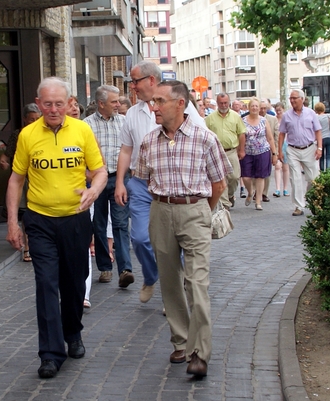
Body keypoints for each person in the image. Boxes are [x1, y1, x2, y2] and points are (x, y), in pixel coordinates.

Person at [6, 77, 107, 379]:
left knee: (74, 283)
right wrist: (13, 222)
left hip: (75, 219)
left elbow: (100, 171)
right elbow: (16, 179)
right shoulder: (27, 135)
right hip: (40, 221)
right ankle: (50, 353)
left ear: (68, 104)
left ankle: (73, 332)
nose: (53, 109)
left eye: (58, 104)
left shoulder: (82, 130)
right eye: (47, 104)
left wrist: (94, 190)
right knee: (46, 284)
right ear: (38, 104)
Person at [135, 80, 230, 378]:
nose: (154, 107)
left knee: (197, 282)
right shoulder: (149, 141)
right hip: (160, 211)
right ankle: (180, 341)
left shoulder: (206, 139)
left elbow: (219, 184)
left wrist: (201, 211)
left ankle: (200, 352)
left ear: (180, 103)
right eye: (153, 101)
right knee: (170, 282)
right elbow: (143, 179)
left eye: (160, 101)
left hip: (195, 210)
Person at [115, 60, 205, 303]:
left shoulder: (182, 108)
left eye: (135, 81)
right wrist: (120, 183)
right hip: (141, 184)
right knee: (141, 239)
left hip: (172, 184)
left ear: (151, 81)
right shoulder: (132, 113)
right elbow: (126, 149)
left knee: (176, 242)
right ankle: (152, 275)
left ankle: (175, 292)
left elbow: (202, 142)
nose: (131, 86)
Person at [84, 85, 134, 287]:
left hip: (119, 179)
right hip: (96, 181)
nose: (118, 105)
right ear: (101, 103)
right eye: (114, 101)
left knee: (121, 223)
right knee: (99, 223)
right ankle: (105, 267)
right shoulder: (85, 126)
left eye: (119, 101)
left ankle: (125, 269)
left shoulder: (123, 122)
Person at [0, 103, 41, 262]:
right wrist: (4, 165)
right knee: (25, 214)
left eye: (38, 119)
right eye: (31, 120)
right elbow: (5, 157)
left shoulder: (43, 134)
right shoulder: (18, 135)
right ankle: (28, 247)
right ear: (25, 119)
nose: (35, 122)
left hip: (39, 177)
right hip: (23, 179)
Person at [278, 89, 322, 216]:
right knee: (295, 178)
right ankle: (298, 206)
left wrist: (319, 148)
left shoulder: (311, 113)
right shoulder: (287, 115)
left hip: (309, 148)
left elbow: (318, 131)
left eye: (295, 98)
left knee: (314, 178)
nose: (292, 101)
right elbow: (282, 134)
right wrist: (280, 150)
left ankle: (311, 198)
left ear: (302, 99)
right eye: (290, 98)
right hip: (292, 149)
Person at [204, 93, 246, 209]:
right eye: (221, 103)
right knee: (221, 178)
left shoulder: (236, 116)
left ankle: (231, 194)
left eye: (225, 103)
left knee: (234, 177)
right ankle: (225, 203)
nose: (223, 105)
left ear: (229, 102)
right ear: (217, 103)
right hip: (217, 152)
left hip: (232, 151)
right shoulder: (210, 118)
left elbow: (241, 133)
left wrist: (242, 150)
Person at [240, 97, 277, 210]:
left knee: (260, 177)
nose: (255, 108)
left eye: (256, 106)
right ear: (249, 108)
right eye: (252, 106)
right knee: (246, 177)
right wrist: (240, 150)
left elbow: (270, 138)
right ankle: (251, 192)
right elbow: (241, 137)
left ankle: (258, 201)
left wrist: (274, 153)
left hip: (263, 151)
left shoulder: (263, 120)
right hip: (248, 152)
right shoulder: (243, 120)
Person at [272, 102, 290, 197]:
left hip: (286, 144)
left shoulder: (286, 119)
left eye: (280, 110)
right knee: (278, 166)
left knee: (285, 167)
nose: (278, 112)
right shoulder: (274, 120)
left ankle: (285, 188)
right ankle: (278, 188)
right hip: (276, 144)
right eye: (277, 110)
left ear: (283, 109)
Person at [314, 102, 330, 171]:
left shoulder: (316, 118)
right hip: (329, 137)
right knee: (328, 156)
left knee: (321, 156)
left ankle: (322, 171)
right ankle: (328, 171)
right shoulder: (328, 116)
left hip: (321, 139)